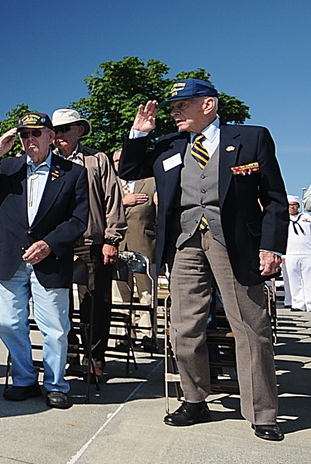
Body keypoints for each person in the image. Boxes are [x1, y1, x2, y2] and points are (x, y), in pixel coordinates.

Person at [119, 78, 288, 441]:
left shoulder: (251, 138)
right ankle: (195, 399)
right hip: (185, 244)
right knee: (183, 326)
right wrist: (138, 133)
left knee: (251, 326)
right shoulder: (169, 145)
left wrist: (272, 248)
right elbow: (129, 171)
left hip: (237, 244)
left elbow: (275, 199)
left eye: (182, 105)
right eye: (173, 107)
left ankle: (262, 412)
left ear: (208, 105)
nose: (174, 112)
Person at [0, 112, 88, 410]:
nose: (29, 140)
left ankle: (55, 384)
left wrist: (49, 244)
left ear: (51, 136)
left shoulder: (72, 173)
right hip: (10, 257)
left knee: (55, 328)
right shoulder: (7, 168)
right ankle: (24, 378)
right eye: (25, 135)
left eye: (36, 133)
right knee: (9, 323)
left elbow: (78, 220)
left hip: (49, 260)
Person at [51, 109, 127, 379]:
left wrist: (111, 238)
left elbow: (112, 200)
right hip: (56, 243)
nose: (59, 135)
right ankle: (67, 356)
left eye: (65, 129)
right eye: (55, 130)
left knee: (94, 301)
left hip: (91, 240)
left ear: (79, 130)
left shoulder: (97, 160)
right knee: (57, 303)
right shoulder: (45, 162)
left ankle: (95, 358)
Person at [111, 149, 158, 347]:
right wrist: (123, 202)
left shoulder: (151, 181)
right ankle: (123, 333)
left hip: (144, 244)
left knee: (147, 292)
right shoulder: (110, 185)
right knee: (119, 291)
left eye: (123, 159)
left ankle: (147, 334)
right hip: (117, 245)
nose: (119, 163)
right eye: (115, 161)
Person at [282, 195, 311, 312]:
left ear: (298, 206)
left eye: (294, 205)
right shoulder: (283, 220)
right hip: (290, 253)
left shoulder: (307, 218)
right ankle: (297, 303)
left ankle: (309, 303)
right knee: (293, 280)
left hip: (307, 252)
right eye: (289, 205)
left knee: (309, 280)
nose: (291, 208)